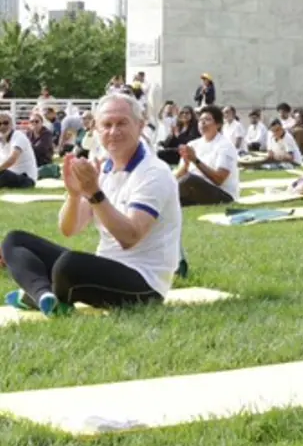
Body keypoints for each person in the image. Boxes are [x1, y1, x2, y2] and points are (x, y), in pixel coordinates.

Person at [1, 94, 182, 316]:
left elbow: (130, 237)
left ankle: (40, 294)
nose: (113, 132)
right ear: (96, 129)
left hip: (144, 283)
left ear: (140, 125)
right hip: (105, 266)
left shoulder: (154, 172)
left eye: (122, 123)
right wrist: (75, 195)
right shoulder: (105, 168)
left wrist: (94, 193)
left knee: (69, 265)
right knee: (15, 241)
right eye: (106, 125)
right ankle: (44, 296)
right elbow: (69, 229)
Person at [174, 105, 240, 206]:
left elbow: (219, 179)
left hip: (222, 193)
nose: (202, 123)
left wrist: (196, 160)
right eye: (200, 120)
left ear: (218, 124)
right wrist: (186, 165)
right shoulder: (192, 144)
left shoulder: (225, 145)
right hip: (195, 190)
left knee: (190, 180)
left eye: (207, 119)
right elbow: (180, 175)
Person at [0, 112, 37, 188]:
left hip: (26, 179)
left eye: (5, 123)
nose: (2, 126)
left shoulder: (18, 136)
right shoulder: (1, 139)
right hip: (10, 174)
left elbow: (12, 159)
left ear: (11, 124)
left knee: (4, 174)